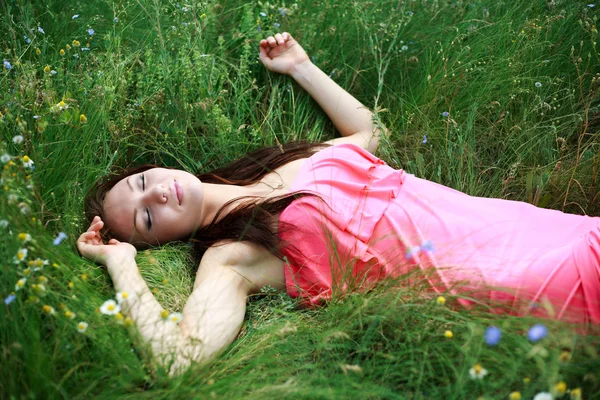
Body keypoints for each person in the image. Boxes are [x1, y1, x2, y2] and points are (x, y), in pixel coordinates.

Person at [78, 32, 600, 377]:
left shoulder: (275, 169)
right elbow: (178, 361)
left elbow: (366, 131)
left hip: (511, 224)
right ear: (161, 241)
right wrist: (121, 264)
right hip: (495, 276)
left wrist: (301, 66)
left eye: (144, 180)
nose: (157, 193)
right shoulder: (233, 256)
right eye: (147, 216)